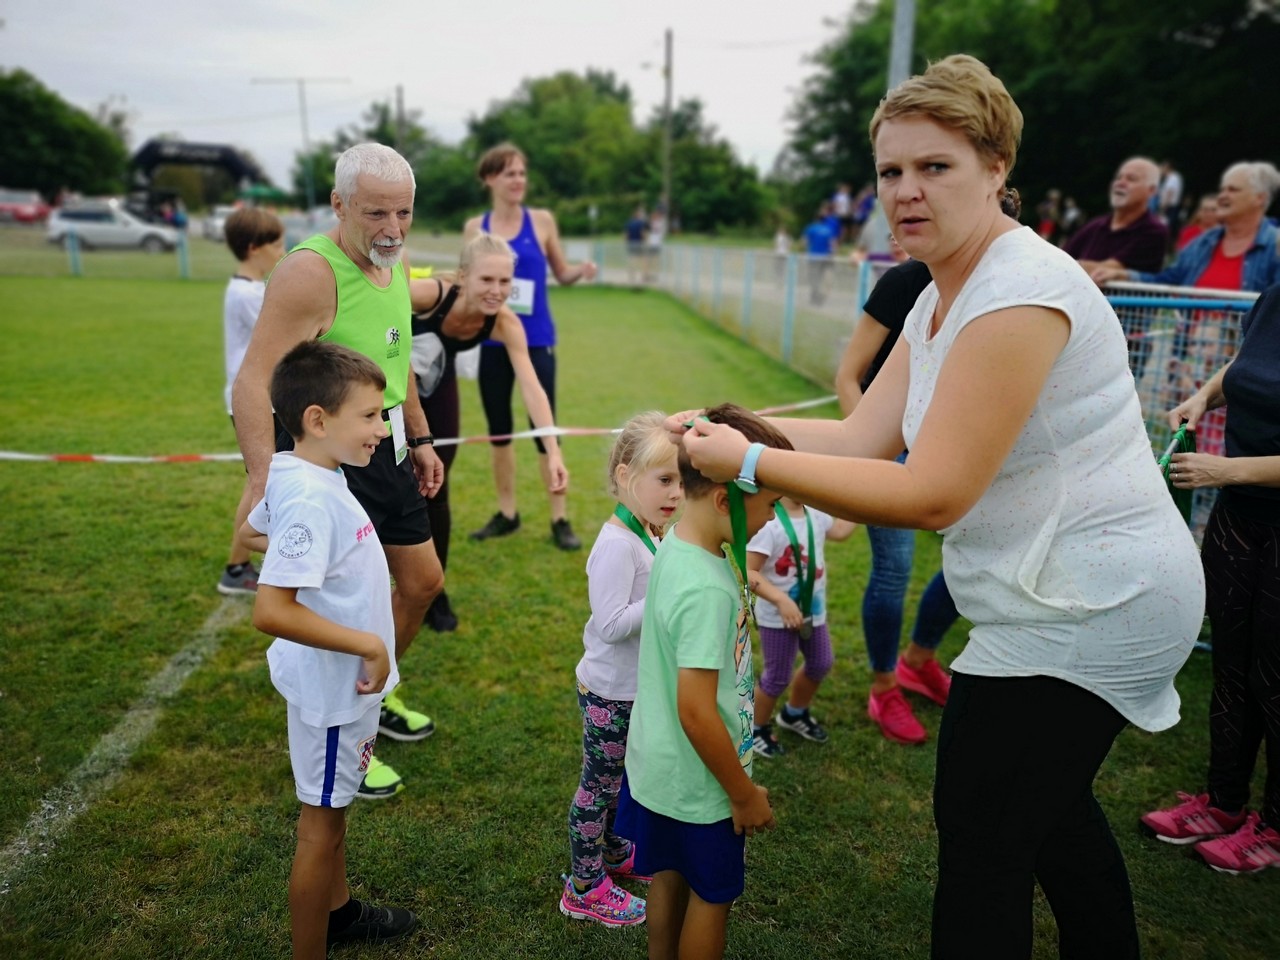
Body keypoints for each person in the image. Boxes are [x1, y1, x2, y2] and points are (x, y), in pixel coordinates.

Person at [671, 55, 1204, 958]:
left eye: (935, 167)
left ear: (998, 170)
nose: (905, 192)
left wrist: (752, 461)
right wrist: (729, 427)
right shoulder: (935, 296)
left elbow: (934, 492)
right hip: (1039, 590)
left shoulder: (1019, 290)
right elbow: (867, 438)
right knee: (1047, 813)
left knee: (984, 838)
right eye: (890, 171)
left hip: (1095, 599)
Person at [233, 143, 443, 800]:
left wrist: (421, 434)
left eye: (403, 213)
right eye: (375, 213)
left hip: (383, 444)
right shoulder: (308, 273)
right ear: (338, 205)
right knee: (337, 603)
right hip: (330, 457)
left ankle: (373, 694)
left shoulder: (392, 257)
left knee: (421, 582)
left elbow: (396, 356)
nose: (391, 228)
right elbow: (253, 379)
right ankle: (346, 719)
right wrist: (270, 478)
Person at [240, 341, 416, 959]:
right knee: (321, 828)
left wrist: (308, 555)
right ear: (318, 420)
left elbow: (249, 532)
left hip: (343, 688)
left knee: (334, 814)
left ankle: (339, 914)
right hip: (336, 692)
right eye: (369, 415)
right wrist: (369, 642)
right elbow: (271, 609)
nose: (382, 428)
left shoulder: (300, 472)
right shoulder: (313, 495)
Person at [616, 403, 785, 960]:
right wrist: (742, 793)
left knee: (668, 878)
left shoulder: (674, 545)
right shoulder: (708, 588)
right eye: (771, 505)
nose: (773, 521)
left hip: (660, 770)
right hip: (703, 787)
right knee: (712, 897)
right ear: (723, 500)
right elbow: (696, 710)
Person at [1139, 281, 1280, 875]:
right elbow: (1245, 366)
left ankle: (1272, 831)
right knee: (1232, 666)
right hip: (1239, 518)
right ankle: (1223, 805)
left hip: (1255, 501)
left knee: (1275, 679)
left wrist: (1231, 468)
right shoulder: (1273, 295)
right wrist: (1203, 396)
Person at [407, 234, 570, 632]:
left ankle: (433, 593)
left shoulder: (504, 323)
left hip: (438, 378)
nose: (497, 291)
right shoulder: (428, 294)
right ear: (463, 276)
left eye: (504, 282)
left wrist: (553, 450)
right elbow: (371, 299)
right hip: (391, 378)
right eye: (487, 280)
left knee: (434, 485)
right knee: (385, 485)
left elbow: (532, 386)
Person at [559, 411, 684, 927]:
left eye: (681, 480)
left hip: (635, 689)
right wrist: (667, 590)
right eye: (664, 480)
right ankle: (584, 887)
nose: (676, 492)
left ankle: (613, 852)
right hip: (610, 692)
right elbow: (610, 624)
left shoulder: (651, 531)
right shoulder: (616, 544)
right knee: (598, 787)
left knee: (621, 782)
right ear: (626, 476)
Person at [464, 143, 598, 552]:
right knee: (498, 432)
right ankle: (507, 513)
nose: (519, 180)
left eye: (522, 173)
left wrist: (580, 271)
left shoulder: (541, 221)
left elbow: (561, 272)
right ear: (489, 179)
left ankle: (560, 518)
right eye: (509, 173)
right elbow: (466, 283)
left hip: (537, 340)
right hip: (491, 341)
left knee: (546, 429)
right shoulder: (476, 228)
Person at [746, 496, 856, 758]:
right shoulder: (769, 522)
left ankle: (794, 713)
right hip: (778, 616)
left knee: (821, 662)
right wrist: (781, 600)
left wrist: (862, 505)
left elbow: (839, 531)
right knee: (777, 677)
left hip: (812, 611)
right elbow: (750, 572)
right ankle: (756, 728)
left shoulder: (815, 512)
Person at [217, 207, 286, 596]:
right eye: (276, 244)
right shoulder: (247, 294)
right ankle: (237, 566)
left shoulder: (252, 289)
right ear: (252, 248)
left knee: (261, 483)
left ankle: (243, 562)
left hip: (265, 399)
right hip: (256, 402)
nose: (282, 250)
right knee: (259, 485)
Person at [1092, 161, 1280, 292]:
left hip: (1244, 349)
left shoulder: (1275, 246)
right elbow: (1168, 280)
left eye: (1232, 190)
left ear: (1260, 198)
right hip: (1188, 347)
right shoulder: (1202, 243)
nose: (1222, 196)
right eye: (1222, 190)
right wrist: (1123, 276)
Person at [1064, 157, 1168, 276]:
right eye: (1118, 177)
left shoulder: (1154, 231)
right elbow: (1062, 255)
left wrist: (1063, 265)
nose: (1120, 183)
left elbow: (1105, 269)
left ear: (1151, 191)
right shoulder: (1095, 226)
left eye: (1131, 179)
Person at [802, 202, 839, 305]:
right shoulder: (828, 230)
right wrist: (833, 254)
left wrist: (805, 249)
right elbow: (833, 244)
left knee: (814, 277)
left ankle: (814, 295)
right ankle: (820, 296)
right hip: (825, 258)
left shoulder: (810, 228)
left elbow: (804, 242)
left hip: (813, 257)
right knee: (823, 277)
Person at [625, 206, 649, 286]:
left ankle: (631, 276)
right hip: (639, 244)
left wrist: (627, 243)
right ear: (638, 216)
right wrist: (645, 241)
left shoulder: (629, 223)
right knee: (643, 260)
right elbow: (643, 234)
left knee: (632, 260)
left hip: (631, 244)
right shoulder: (640, 223)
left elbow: (626, 235)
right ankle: (644, 276)